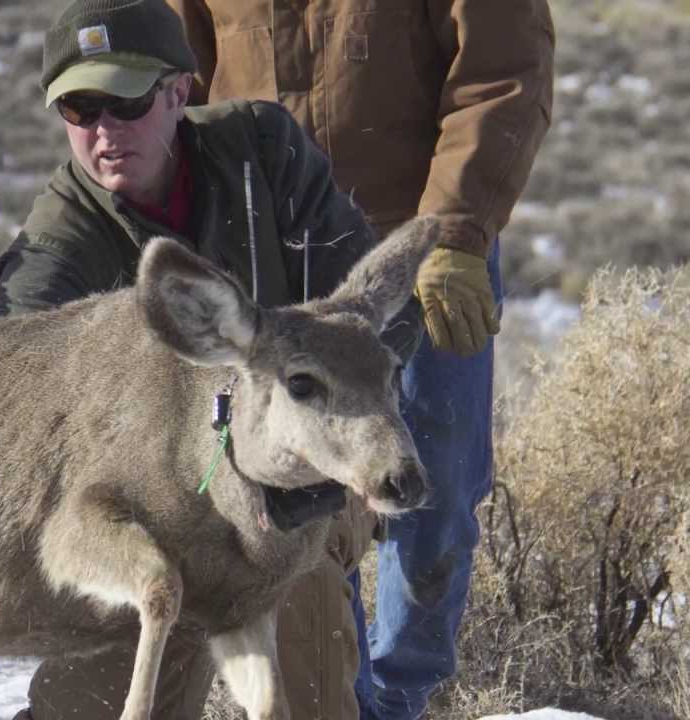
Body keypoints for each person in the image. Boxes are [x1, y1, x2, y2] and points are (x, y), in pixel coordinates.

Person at [0, 2, 418, 719]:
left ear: (178, 91)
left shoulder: (263, 150)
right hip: (141, 517)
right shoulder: (51, 258)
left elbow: (378, 322)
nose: (103, 130)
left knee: (295, 598)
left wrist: (327, 462)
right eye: (79, 108)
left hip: (303, 481)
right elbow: (28, 432)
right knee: (93, 697)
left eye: (125, 103)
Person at [165, 1, 555, 717]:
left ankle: (399, 697)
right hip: (268, 254)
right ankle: (338, 697)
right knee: (291, 502)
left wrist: (457, 236)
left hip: (419, 252)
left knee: (434, 491)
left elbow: (501, 71)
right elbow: (171, 77)